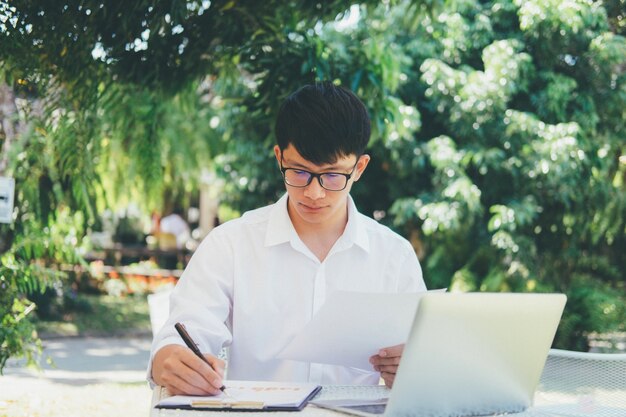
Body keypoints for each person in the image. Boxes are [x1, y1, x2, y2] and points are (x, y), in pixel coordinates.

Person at [148, 82, 426, 395]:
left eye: (333, 175)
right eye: (299, 172)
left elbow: (424, 364)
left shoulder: (394, 257)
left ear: (359, 168)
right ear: (280, 157)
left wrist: (414, 370)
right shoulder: (231, 244)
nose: (314, 192)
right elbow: (184, 331)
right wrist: (170, 360)